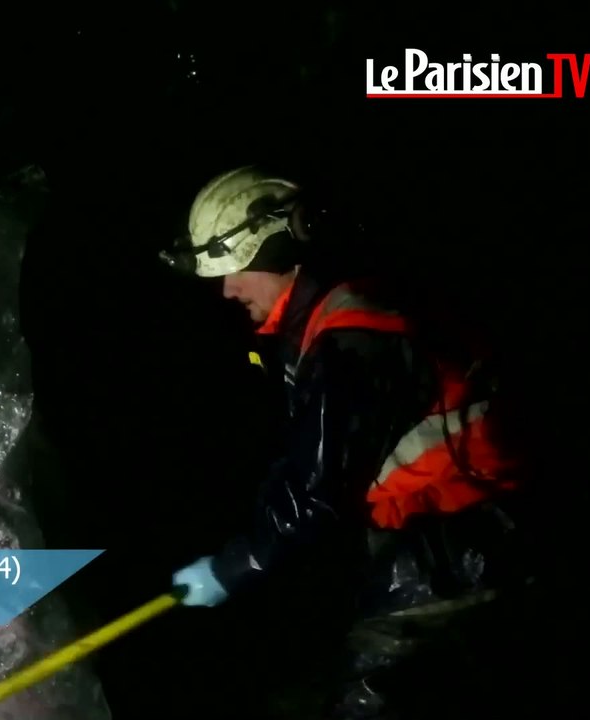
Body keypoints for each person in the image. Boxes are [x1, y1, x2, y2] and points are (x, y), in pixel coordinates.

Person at [158, 166, 529, 718]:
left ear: (282, 249)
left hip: (464, 542)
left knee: (365, 701)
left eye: (235, 271)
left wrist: (233, 567)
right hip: (426, 538)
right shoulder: (313, 329)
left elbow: (315, 491)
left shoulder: (355, 337)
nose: (228, 289)